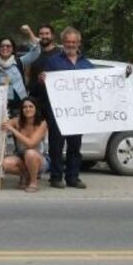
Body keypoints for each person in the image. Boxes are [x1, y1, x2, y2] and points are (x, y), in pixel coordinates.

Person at [41, 26, 96, 189]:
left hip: (78, 114)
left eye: (74, 42)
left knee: (75, 147)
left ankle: (73, 177)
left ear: (79, 43)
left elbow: (97, 86)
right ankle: (56, 177)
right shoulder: (53, 61)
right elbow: (45, 86)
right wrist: (42, 81)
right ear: (63, 42)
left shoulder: (87, 64)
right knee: (56, 147)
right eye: (67, 41)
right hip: (58, 113)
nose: (71, 44)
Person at [0, 26, 40, 116]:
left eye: (8, 46)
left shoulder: (20, 62)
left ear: (13, 49)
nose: (5, 48)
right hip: (0, 109)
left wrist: (29, 32)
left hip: (20, 108)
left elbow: (36, 52)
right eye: (2, 46)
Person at [0, 97, 48, 193]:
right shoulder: (16, 121)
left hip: (39, 159)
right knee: (5, 163)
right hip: (21, 157)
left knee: (30, 153)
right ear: (21, 110)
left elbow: (31, 144)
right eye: (25, 107)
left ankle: (33, 182)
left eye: (31, 106)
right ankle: (26, 175)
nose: (28, 109)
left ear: (36, 108)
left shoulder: (42, 123)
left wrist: (13, 130)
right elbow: (2, 126)